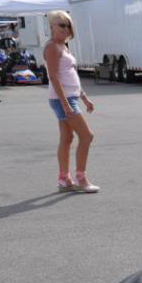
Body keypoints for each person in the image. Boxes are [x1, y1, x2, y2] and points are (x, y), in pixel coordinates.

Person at [43, 10, 98, 193]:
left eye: (68, 26)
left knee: (67, 139)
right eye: (62, 25)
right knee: (87, 136)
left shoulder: (63, 46)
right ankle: (81, 179)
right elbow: (54, 77)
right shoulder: (52, 47)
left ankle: (64, 179)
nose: (66, 29)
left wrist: (85, 98)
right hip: (62, 100)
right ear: (52, 26)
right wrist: (66, 104)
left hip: (69, 98)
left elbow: (70, 76)